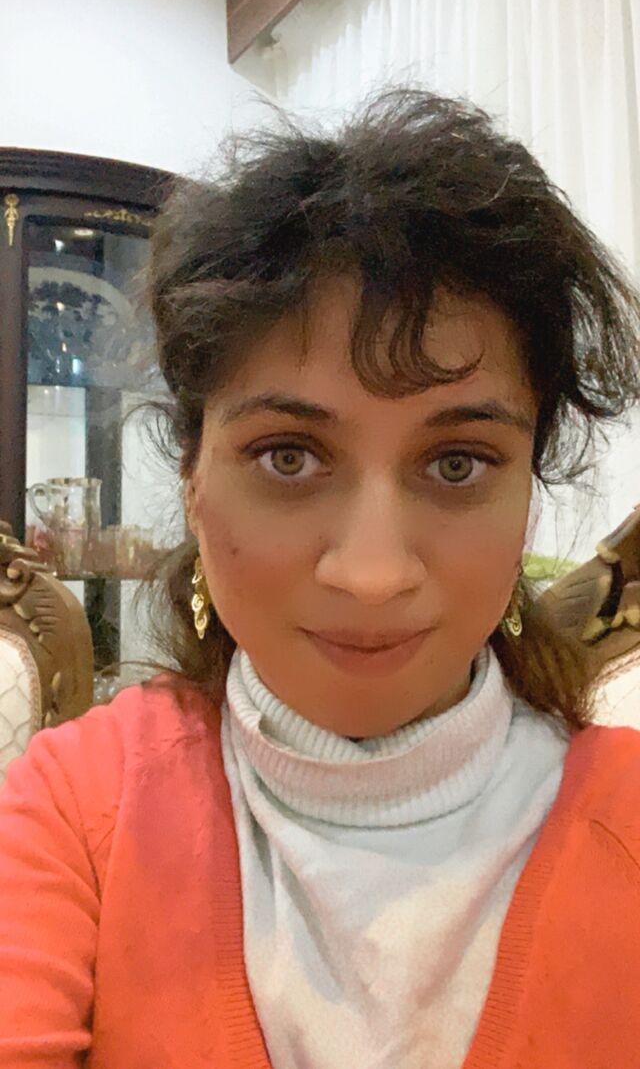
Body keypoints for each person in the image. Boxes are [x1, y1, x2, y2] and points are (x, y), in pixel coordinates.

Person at [1, 89, 640, 1069]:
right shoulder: (77, 814)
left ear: (526, 496)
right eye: (289, 457)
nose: (372, 575)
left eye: (457, 463)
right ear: (193, 479)